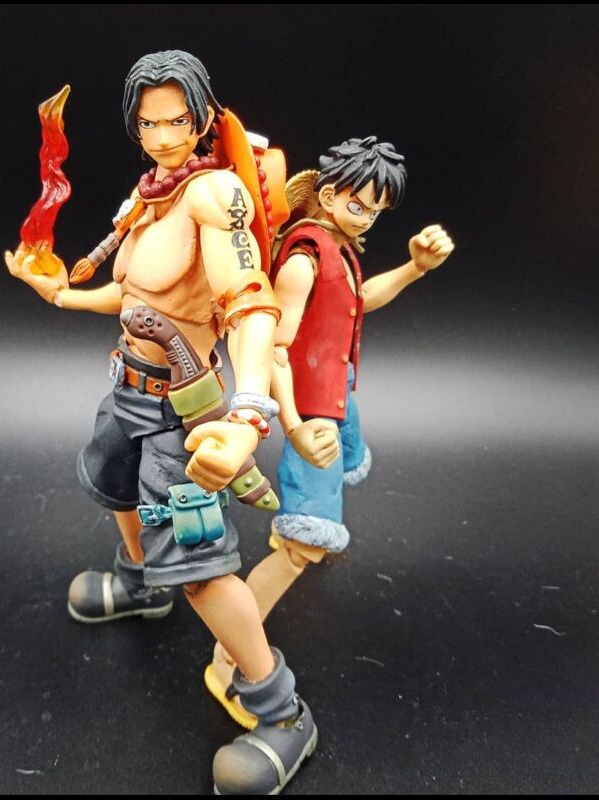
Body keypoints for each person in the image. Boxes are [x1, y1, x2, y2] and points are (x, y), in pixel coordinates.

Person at [5, 50, 317, 795]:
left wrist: (248, 413)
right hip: (128, 392)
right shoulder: (150, 195)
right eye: (149, 124)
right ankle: (142, 585)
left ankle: (282, 711)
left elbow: (249, 303)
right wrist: (59, 295)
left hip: (185, 417)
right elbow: (134, 296)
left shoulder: (215, 197)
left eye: (177, 121)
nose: (163, 136)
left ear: (203, 119)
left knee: (202, 571)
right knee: (116, 487)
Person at [206, 136, 455, 728]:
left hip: (336, 396)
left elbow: (359, 301)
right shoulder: (303, 259)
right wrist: (292, 426)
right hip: (312, 411)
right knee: (303, 546)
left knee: (332, 488)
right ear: (326, 193)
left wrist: (415, 268)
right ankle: (228, 657)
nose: (365, 217)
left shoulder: (336, 248)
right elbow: (275, 349)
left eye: (375, 211)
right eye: (357, 204)